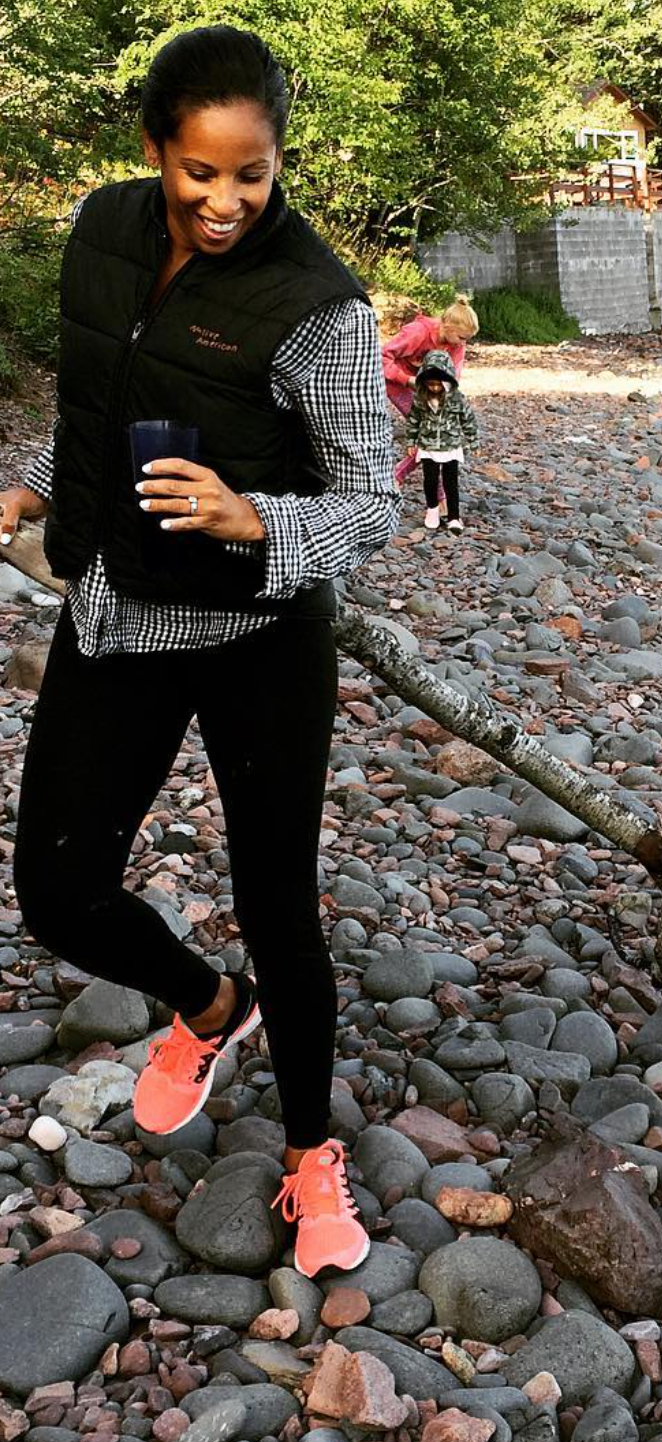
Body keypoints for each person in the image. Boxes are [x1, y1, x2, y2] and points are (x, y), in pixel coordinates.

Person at [0, 26, 399, 1277]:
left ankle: (310, 1157)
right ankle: (211, 1005)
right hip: (120, 609)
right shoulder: (103, 231)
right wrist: (34, 490)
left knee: (279, 904)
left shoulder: (319, 306)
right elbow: (96, 400)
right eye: (199, 173)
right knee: (56, 889)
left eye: (253, 175)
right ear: (154, 151)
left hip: (259, 637)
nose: (226, 202)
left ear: (280, 162)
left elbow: (373, 500)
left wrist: (254, 517)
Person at [382, 298, 478, 489]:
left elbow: (453, 377)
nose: (464, 343)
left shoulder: (457, 345)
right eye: (461, 337)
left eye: (467, 339)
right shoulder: (418, 332)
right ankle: (433, 492)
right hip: (396, 382)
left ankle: (399, 477)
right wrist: (406, 379)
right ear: (447, 326)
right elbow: (381, 357)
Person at [406, 350, 478, 533]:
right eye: (431, 384)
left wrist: (473, 441)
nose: (435, 388)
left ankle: (454, 516)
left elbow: (468, 419)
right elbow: (413, 420)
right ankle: (432, 509)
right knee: (430, 480)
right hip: (428, 445)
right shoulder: (420, 398)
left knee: (450, 482)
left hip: (450, 445)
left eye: (439, 384)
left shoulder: (457, 398)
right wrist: (411, 441)